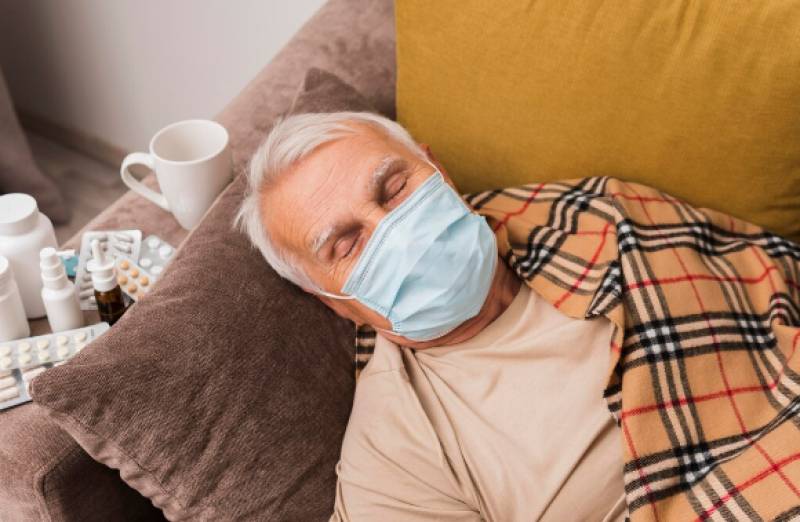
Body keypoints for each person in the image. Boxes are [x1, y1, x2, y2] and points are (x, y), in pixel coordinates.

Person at [236, 112, 627, 521]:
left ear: (438, 170)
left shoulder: (591, 217)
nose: (398, 235)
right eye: (347, 245)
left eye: (395, 190)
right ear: (333, 302)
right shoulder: (394, 459)